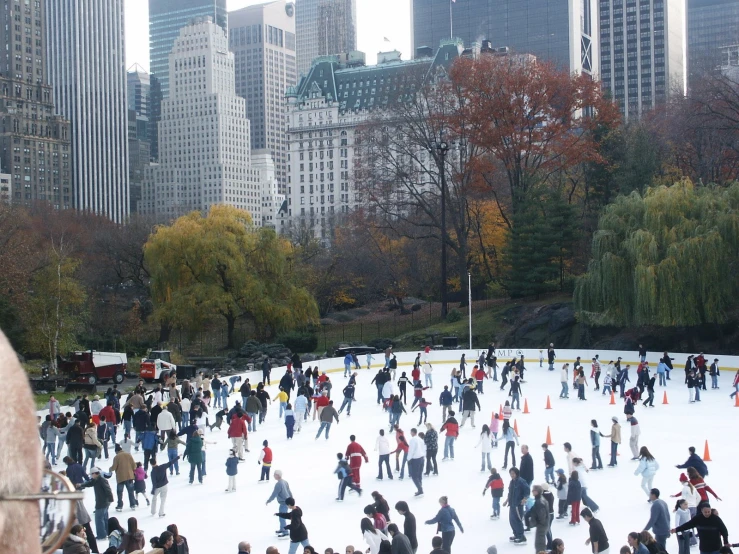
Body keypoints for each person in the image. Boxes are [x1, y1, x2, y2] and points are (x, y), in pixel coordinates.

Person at [79, 467, 114, 541]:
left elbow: (108, 490)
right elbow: (90, 483)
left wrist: (110, 499)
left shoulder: (102, 480)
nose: (91, 476)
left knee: (99, 519)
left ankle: (101, 535)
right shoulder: (96, 480)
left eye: (92, 474)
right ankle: (105, 533)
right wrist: (81, 485)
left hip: (102, 502)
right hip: (103, 502)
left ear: (95, 473)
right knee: (104, 518)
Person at [503, 467, 530, 544]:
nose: (512, 475)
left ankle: (521, 537)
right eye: (510, 474)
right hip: (512, 504)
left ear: (516, 473)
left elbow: (527, 491)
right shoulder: (512, 482)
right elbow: (510, 493)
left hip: (518, 505)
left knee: (518, 521)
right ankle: (516, 535)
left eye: (513, 473)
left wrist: (524, 499)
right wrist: (506, 501)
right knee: (512, 521)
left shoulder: (521, 481)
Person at [109, 444, 137, 512]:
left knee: (119, 492)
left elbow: (114, 467)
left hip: (120, 477)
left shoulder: (116, 457)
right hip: (129, 476)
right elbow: (134, 465)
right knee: (130, 491)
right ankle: (132, 504)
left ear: (116, 451)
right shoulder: (128, 455)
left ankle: (120, 506)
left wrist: (110, 469)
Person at [267, 470, 294, 537]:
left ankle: (285, 532)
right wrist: (292, 499)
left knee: (282, 517)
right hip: (286, 502)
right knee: (281, 516)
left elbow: (274, 494)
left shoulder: (278, 484)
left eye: (274, 474)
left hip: (283, 503)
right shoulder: (285, 482)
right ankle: (282, 529)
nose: (273, 476)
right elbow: (289, 491)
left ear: (277, 475)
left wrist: (269, 500)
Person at [528, 485, 550, 553]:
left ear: (537, 492)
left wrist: (537, 522)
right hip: (543, 524)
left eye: (534, 490)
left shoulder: (539, 502)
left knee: (539, 544)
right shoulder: (540, 500)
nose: (532, 491)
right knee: (539, 542)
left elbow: (542, 516)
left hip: (542, 525)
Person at [407, 428, 425, 497]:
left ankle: (420, 490)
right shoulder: (420, 439)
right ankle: (420, 488)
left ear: (412, 432)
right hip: (422, 458)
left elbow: (411, 450)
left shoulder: (412, 440)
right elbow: (424, 448)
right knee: (419, 475)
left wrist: (408, 459)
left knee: (414, 476)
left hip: (416, 459)